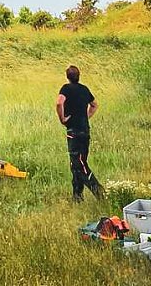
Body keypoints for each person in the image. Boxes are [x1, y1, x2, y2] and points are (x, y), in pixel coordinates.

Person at [56, 64, 104, 202]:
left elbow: (59, 103)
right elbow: (94, 104)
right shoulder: (84, 89)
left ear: (67, 77)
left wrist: (62, 118)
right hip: (85, 130)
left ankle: (99, 192)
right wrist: (86, 116)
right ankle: (77, 197)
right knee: (75, 163)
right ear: (79, 76)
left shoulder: (66, 88)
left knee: (79, 163)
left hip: (74, 131)